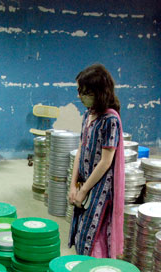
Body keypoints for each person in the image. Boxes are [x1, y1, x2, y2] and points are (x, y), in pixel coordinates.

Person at [68, 63, 125, 258]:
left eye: (84, 92)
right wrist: (73, 185)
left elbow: (106, 162)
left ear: (98, 93)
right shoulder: (88, 115)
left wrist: (84, 190)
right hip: (84, 182)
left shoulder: (110, 120)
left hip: (100, 187)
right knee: (81, 233)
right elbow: (80, 150)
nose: (79, 96)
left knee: (94, 236)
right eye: (79, 91)